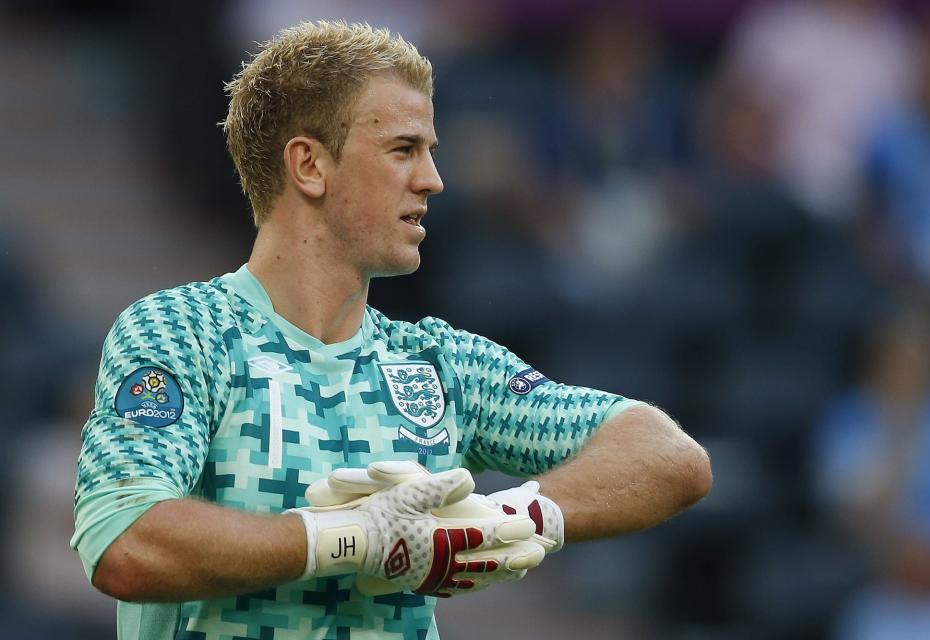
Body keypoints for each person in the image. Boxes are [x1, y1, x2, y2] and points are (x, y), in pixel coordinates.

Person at [71, 21, 712, 639]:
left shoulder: (439, 364)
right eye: (404, 150)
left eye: (430, 152)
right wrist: (351, 537)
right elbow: (127, 541)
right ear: (310, 166)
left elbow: (669, 458)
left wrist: (504, 518)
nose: (433, 179)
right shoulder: (182, 331)